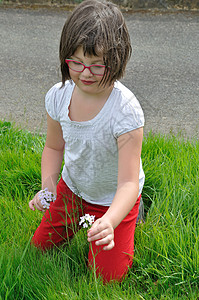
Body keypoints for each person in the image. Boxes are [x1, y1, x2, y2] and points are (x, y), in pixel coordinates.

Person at [29, 0, 145, 283]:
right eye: (76, 63)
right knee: (38, 249)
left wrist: (111, 220)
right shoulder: (58, 96)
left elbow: (128, 183)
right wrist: (48, 186)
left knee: (106, 278)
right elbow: (54, 147)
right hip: (73, 190)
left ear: (117, 60)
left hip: (114, 199)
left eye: (97, 65)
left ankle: (135, 212)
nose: (85, 73)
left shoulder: (125, 111)